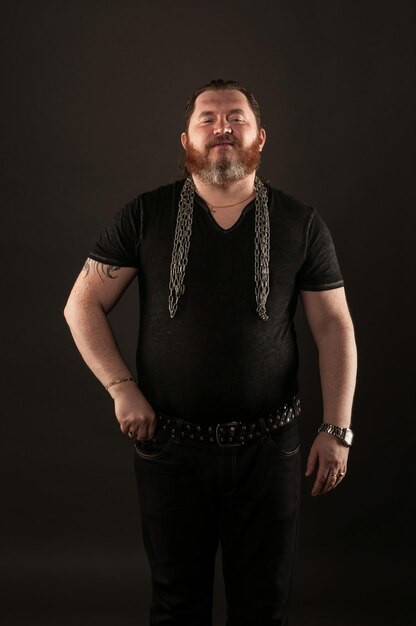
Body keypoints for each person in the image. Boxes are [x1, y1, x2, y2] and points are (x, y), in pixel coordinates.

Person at [64, 79, 357, 626]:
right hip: (170, 448)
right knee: (177, 606)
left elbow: (335, 328)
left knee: (263, 607)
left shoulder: (301, 223)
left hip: (270, 449)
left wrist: (337, 427)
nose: (222, 125)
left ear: (260, 136)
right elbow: (81, 305)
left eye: (235, 116)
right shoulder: (144, 215)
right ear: (187, 138)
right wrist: (121, 388)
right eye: (208, 117)